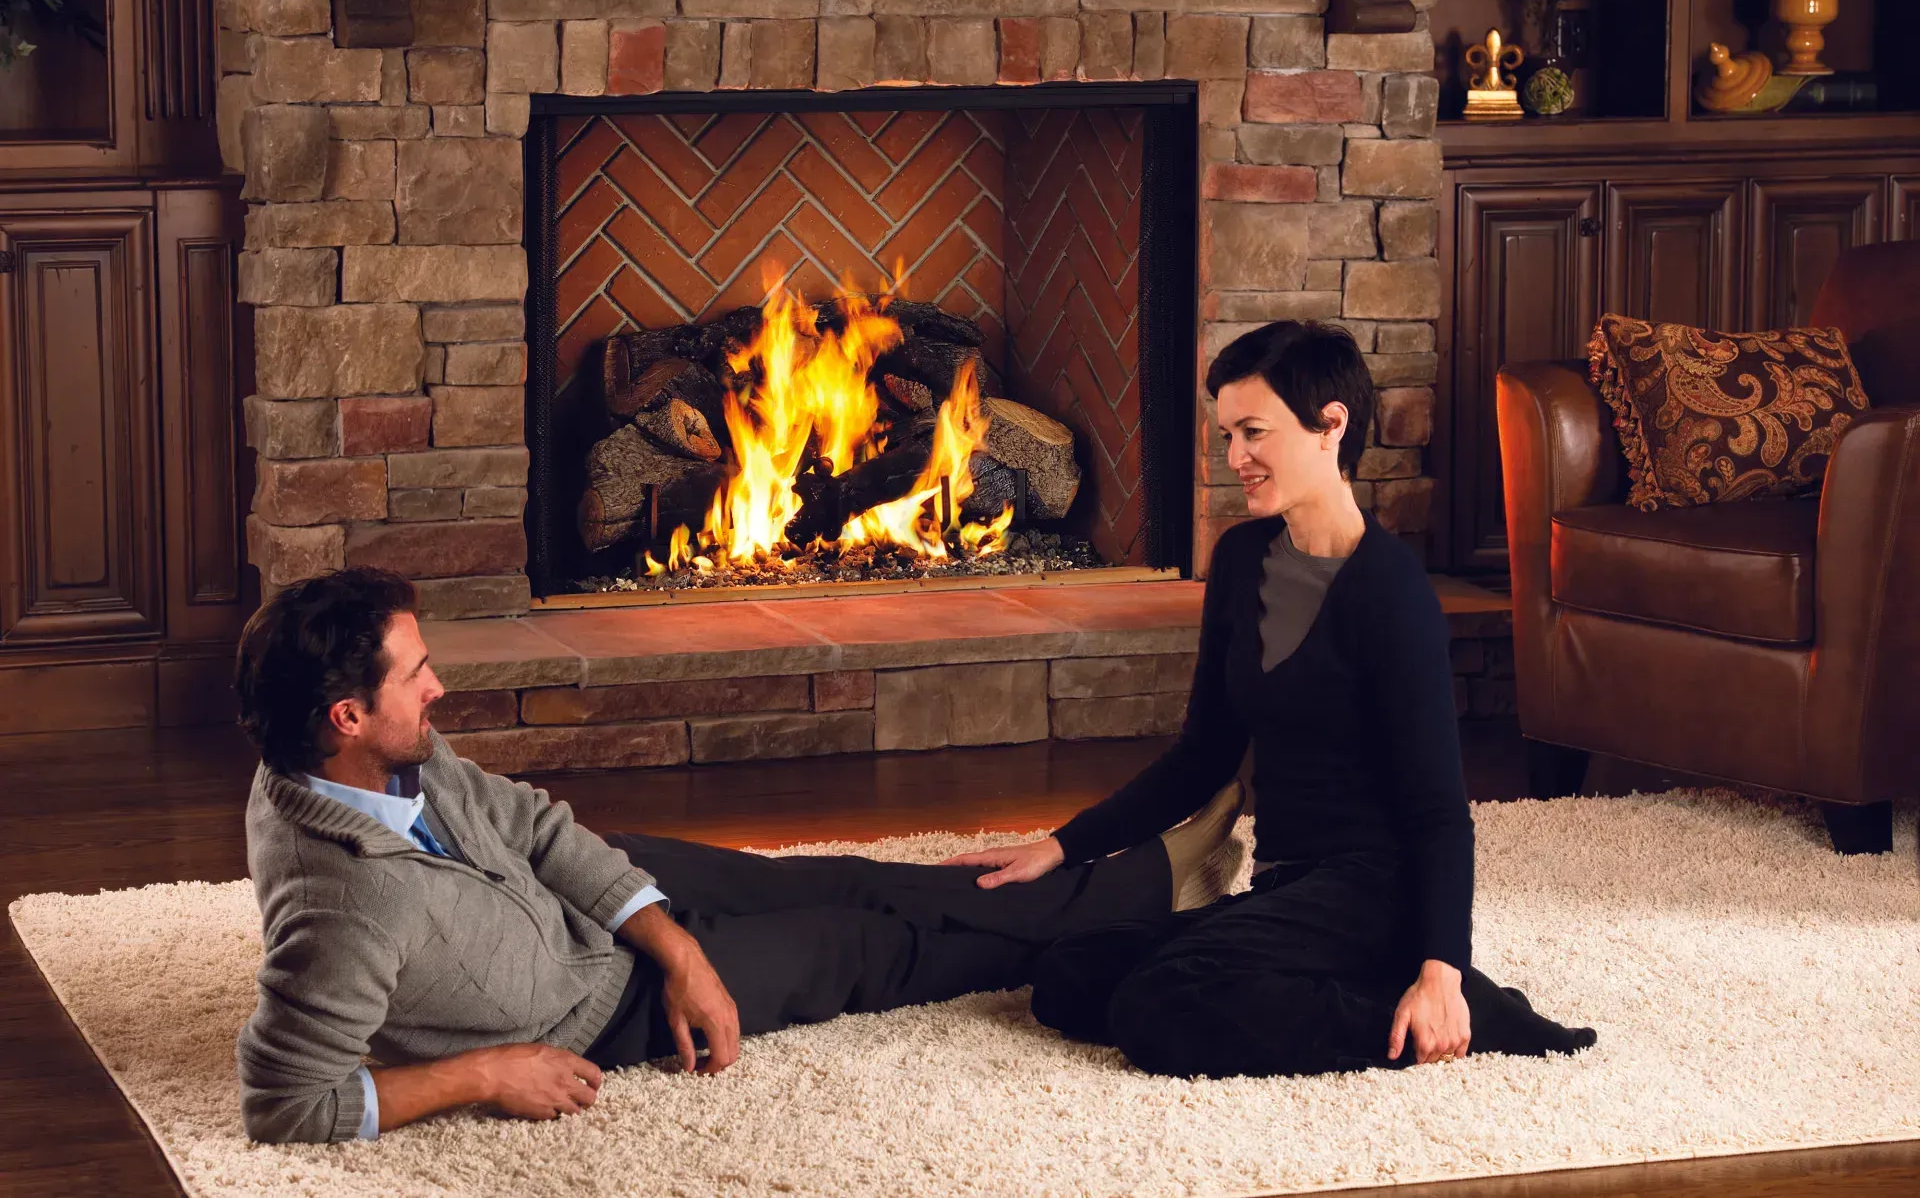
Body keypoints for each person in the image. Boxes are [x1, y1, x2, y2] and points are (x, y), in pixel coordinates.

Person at [231, 568, 1243, 1144]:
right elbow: (287, 1104)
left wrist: (678, 948)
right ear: (348, 715)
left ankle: (1115, 876)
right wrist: (483, 1074)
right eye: (418, 676)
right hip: (597, 1006)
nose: (440, 688)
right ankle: (1152, 899)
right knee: (869, 946)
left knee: (844, 879)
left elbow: (537, 829)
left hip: (607, 897)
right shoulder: (343, 914)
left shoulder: (376, 753)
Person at [944, 320, 1597, 1079]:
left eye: (1253, 431)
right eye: (1227, 434)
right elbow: (1203, 755)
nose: (1234, 459)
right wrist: (1060, 846)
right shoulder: (1242, 559)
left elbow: (1439, 812)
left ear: (1331, 425)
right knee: (1069, 977)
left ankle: (1449, 1016)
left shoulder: (1391, 594)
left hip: (1371, 892)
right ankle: (1351, 984)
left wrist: (1443, 969)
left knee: (1156, 1008)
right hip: (1289, 883)